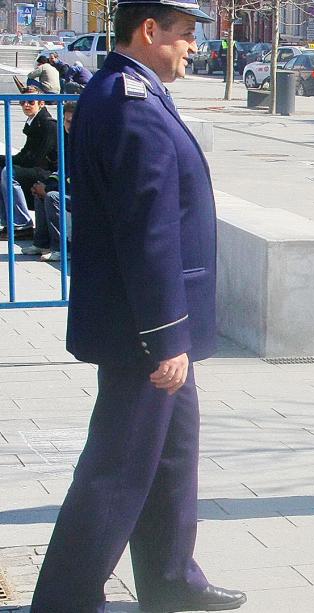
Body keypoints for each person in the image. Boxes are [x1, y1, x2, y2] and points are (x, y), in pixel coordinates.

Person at [30, 0, 247, 611]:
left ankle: (171, 579)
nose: (191, 47)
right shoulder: (131, 105)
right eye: (182, 35)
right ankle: (66, 599)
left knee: (173, 458)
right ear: (148, 32)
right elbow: (148, 228)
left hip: (148, 322)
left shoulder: (127, 92)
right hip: (143, 330)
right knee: (118, 466)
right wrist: (166, 335)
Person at [0, 85, 57, 241]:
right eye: (22, 101)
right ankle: (8, 221)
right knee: (3, 167)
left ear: (41, 103)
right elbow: (26, 154)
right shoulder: (34, 121)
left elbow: (36, 158)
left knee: (8, 172)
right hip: (36, 167)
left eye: (31, 101)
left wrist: (8, 161)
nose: (26, 105)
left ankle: (22, 224)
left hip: (49, 172)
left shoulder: (47, 123)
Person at [21, 101, 75, 262]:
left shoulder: (84, 142)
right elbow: (61, 171)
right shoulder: (66, 140)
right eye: (67, 121)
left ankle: (62, 249)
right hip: (67, 187)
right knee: (41, 191)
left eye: (73, 122)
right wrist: (46, 185)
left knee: (52, 197)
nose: (69, 125)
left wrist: (51, 188)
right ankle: (41, 243)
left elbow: (77, 177)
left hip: (84, 195)